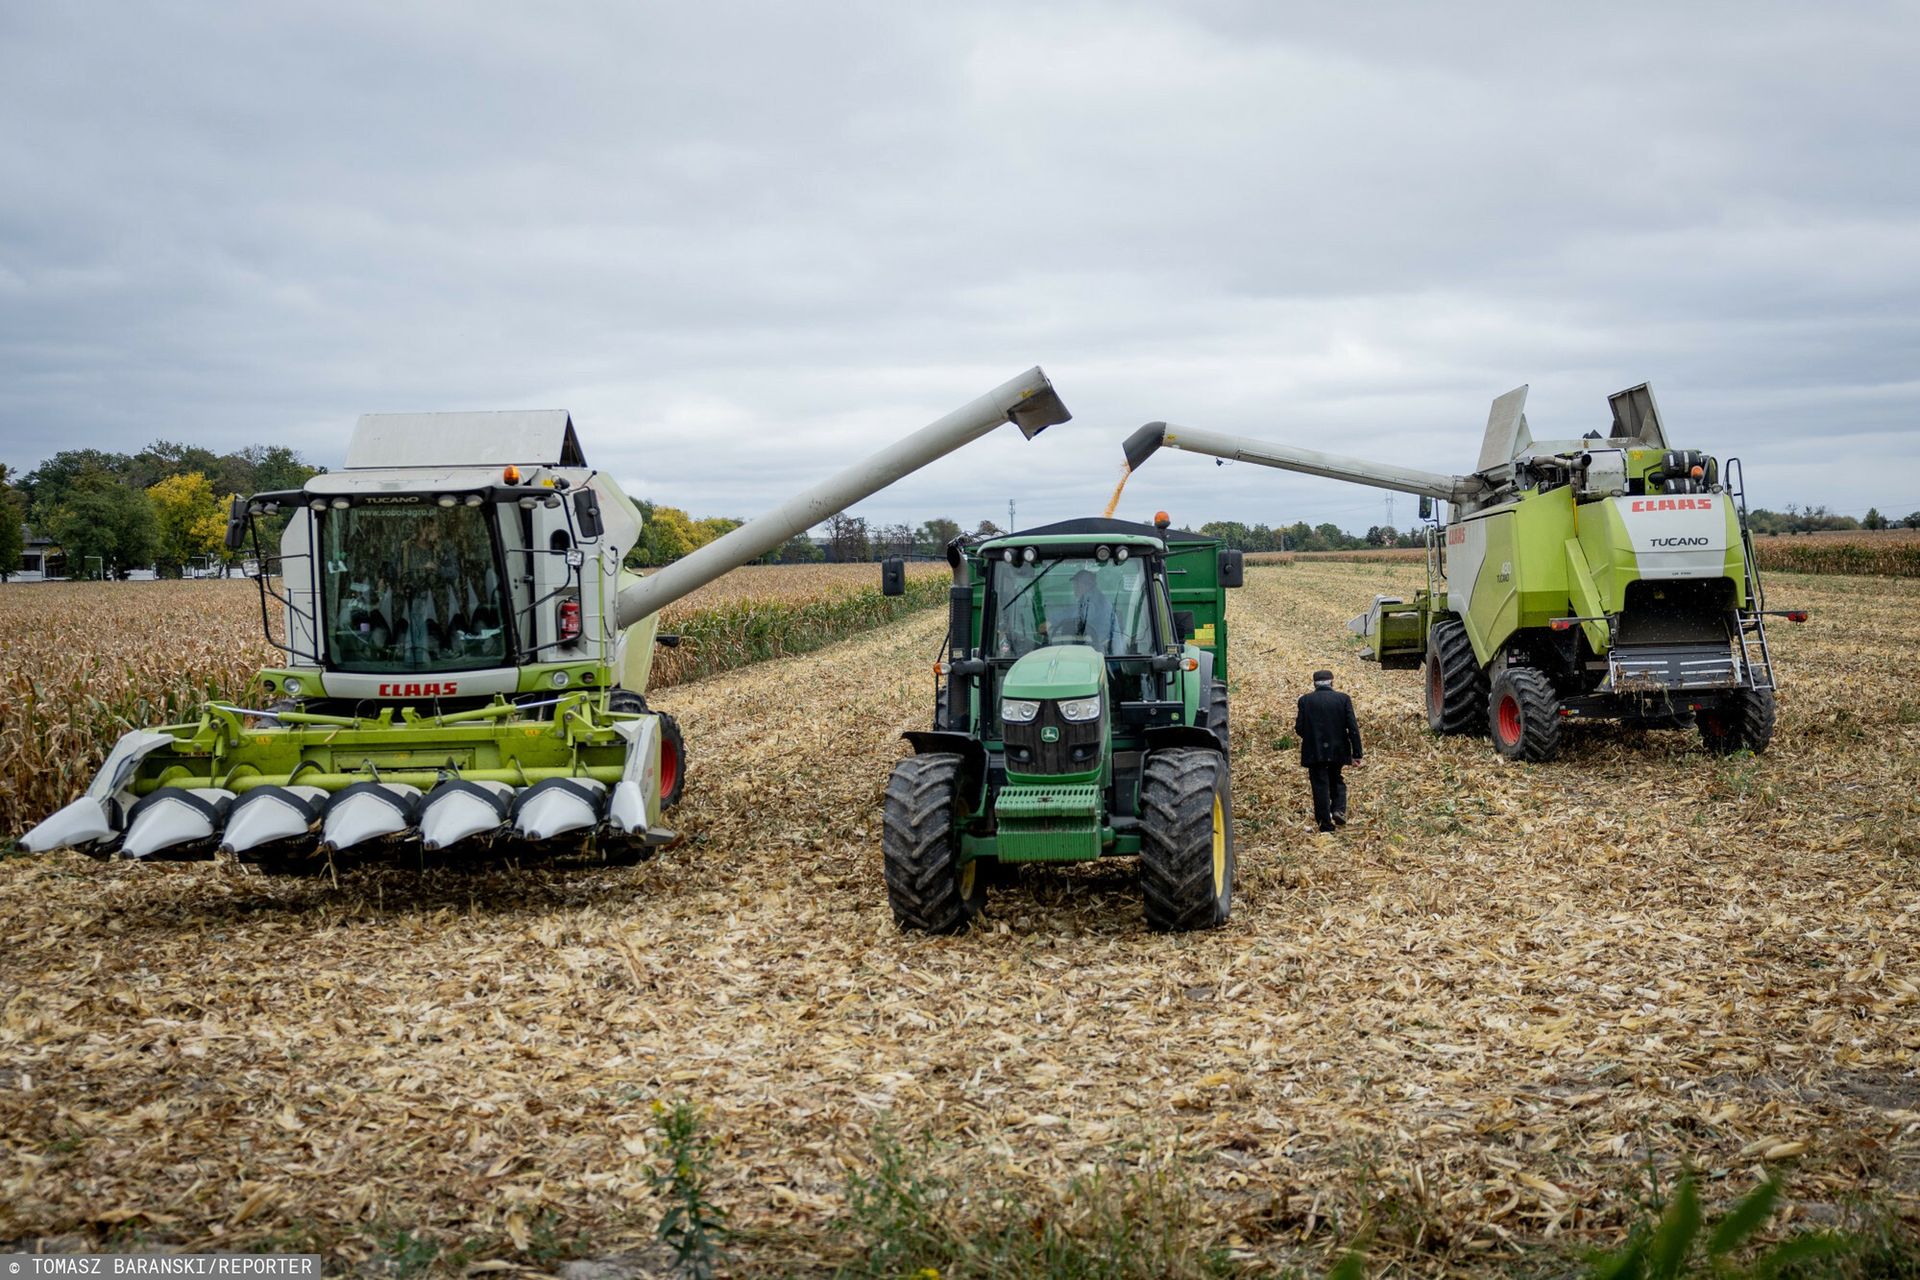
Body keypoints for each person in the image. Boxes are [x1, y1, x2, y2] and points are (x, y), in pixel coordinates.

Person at [1295, 669, 1364, 833]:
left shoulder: (1305, 700)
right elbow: (1352, 727)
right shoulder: (1343, 699)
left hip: (1315, 751)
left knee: (1319, 786)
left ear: (1314, 684)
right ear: (1332, 682)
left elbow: (1299, 728)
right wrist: (1357, 753)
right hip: (1338, 749)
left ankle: (1325, 825)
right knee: (1336, 779)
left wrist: (1312, 738)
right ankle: (1338, 809)